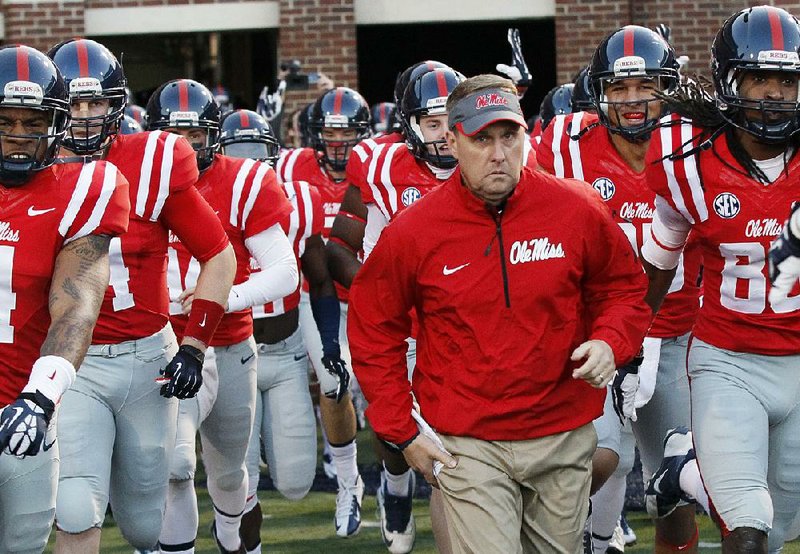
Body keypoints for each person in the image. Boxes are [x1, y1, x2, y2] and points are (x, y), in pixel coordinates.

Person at [348, 73, 652, 554]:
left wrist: (610, 341)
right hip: (469, 440)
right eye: (481, 139)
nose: (498, 153)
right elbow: (372, 326)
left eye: (509, 136)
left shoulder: (575, 207)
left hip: (561, 433)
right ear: (451, 140)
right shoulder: (415, 230)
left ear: (526, 136)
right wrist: (402, 430)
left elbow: (624, 287)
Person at [47, 39, 237, 554]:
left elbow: (219, 256)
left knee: (143, 522)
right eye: (76, 103)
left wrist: (195, 345)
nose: (86, 117)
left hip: (146, 358)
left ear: (116, 105)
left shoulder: (152, 159)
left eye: (97, 103)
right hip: (74, 363)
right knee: (75, 505)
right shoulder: (33, 173)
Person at [639, 6, 800, 552]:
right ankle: (691, 468)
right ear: (730, 82)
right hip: (729, 361)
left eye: (787, 80)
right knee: (748, 529)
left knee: (780, 529)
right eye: (759, 77)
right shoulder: (689, 162)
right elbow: (659, 262)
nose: (773, 94)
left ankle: (684, 472)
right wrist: (628, 340)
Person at [537, 26, 702, 554]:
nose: (632, 101)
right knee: (604, 454)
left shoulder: (695, 142)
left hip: (674, 336)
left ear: (667, 87)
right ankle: (566, 536)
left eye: (645, 85)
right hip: (595, 338)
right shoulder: (566, 145)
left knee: (672, 490)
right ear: (600, 91)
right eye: (619, 87)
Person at [150, 80, 298, 554]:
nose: (186, 146)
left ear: (214, 134)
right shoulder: (134, 178)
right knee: (175, 466)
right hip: (167, 347)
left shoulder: (245, 181)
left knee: (231, 472)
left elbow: (284, 273)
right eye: (175, 135)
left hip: (230, 344)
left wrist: (220, 297)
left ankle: (232, 534)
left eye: (196, 134)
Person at [0, 44, 130, 553]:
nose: (17, 136)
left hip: (23, 411)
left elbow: (77, 304)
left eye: (32, 123)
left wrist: (41, 395)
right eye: (5, 121)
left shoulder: (84, 189)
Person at [219, 109, 347, 553]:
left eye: (258, 153)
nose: (250, 164)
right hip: (233, 354)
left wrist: (329, 342)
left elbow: (322, 279)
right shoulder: (206, 203)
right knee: (240, 482)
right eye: (239, 153)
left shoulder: (299, 202)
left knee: (295, 481)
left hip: (288, 353)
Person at [275, 86, 370, 538]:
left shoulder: (375, 166)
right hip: (315, 294)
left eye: (345, 134)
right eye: (328, 134)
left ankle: (364, 481)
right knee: (332, 383)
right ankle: (346, 479)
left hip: (367, 298)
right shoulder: (291, 165)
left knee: (350, 385)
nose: (336, 144)